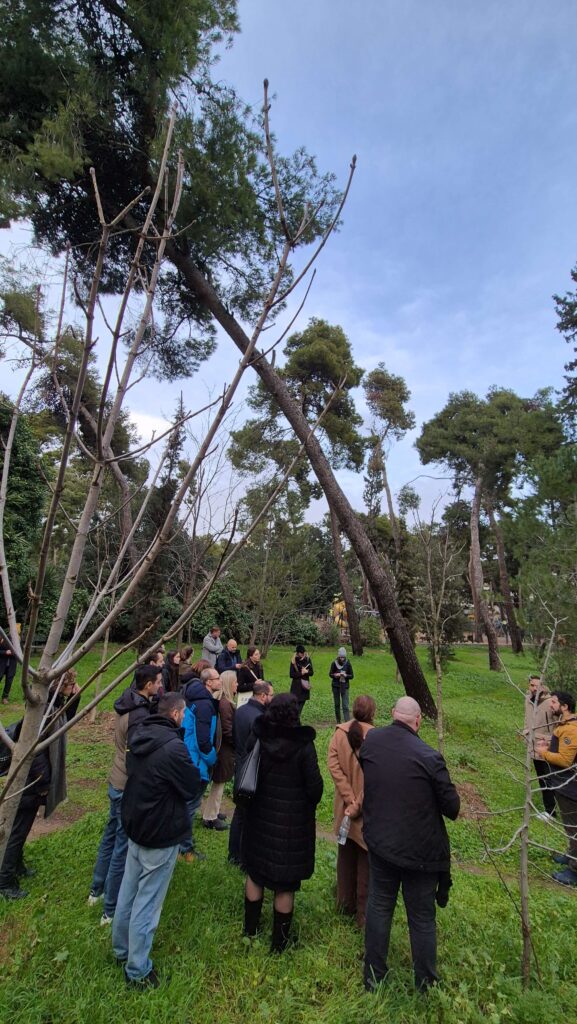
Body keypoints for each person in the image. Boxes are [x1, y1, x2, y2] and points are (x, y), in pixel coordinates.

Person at [360, 696, 460, 992]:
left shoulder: (373, 740)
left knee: (379, 907)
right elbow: (452, 808)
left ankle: (373, 978)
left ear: (393, 715)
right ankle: (425, 985)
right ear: (418, 722)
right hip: (420, 852)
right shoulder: (429, 757)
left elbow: (369, 768)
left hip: (381, 843)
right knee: (421, 918)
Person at [112, 692, 200, 988]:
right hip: (160, 831)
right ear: (176, 714)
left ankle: (121, 948)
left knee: (129, 890)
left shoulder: (140, 734)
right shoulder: (173, 748)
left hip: (136, 823)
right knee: (148, 903)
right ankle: (137, 968)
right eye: (185, 713)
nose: (186, 718)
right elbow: (190, 786)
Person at [242, 693, 323, 952]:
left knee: (255, 873)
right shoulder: (304, 746)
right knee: (285, 884)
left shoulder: (258, 737)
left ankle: (250, 930)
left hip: (259, 816)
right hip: (291, 825)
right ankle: (279, 943)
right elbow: (315, 788)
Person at [88, 664, 162, 924]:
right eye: (159, 681)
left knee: (109, 836)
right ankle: (110, 907)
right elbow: (137, 753)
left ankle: (96, 889)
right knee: (121, 844)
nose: (161, 685)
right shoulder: (140, 715)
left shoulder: (126, 702)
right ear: (148, 685)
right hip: (126, 783)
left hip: (114, 777)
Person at [0, 671, 81, 899]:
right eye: (71, 684)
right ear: (61, 686)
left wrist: (76, 696)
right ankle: (4, 882)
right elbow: (34, 755)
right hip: (28, 783)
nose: (74, 686)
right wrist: (43, 783)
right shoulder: (43, 712)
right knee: (17, 831)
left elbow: (66, 720)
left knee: (22, 829)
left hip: (31, 782)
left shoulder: (50, 707)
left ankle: (16, 867)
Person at [327, 694, 376, 929]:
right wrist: (358, 803)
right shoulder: (377, 738)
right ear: (373, 713)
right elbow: (377, 778)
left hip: (345, 810)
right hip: (367, 811)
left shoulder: (339, 733)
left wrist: (348, 800)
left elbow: (333, 766)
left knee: (344, 857)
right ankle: (363, 916)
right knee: (365, 863)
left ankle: (343, 903)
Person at [228, 680, 274, 866]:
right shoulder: (259, 718)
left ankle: (233, 854)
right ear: (262, 696)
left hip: (239, 765)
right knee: (249, 816)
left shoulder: (241, 710)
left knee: (239, 813)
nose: (272, 698)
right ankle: (243, 857)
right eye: (271, 695)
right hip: (252, 770)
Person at [179, 666, 222, 861]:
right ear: (209, 682)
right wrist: (212, 757)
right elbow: (203, 739)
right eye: (217, 678)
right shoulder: (205, 705)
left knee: (186, 804)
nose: (220, 680)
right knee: (190, 805)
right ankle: (184, 848)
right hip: (197, 762)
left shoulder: (196, 699)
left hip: (190, 758)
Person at [535, 690, 577, 886]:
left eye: (553, 702)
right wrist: (549, 746)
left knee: (574, 829)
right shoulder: (564, 725)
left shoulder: (571, 729)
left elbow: (566, 760)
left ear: (565, 706)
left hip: (570, 787)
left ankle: (574, 871)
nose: (550, 705)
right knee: (569, 827)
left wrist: (544, 753)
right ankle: (570, 855)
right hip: (562, 785)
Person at [202, 670, 237, 831]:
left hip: (223, 749)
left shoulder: (223, 701)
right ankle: (210, 817)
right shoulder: (225, 704)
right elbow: (228, 730)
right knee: (219, 783)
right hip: (223, 751)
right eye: (235, 682)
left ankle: (212, 811)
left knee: (219, 783)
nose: (237, 684)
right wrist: (238, 743)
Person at [522, 675, 557, 818]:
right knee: (541, 777)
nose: (535, 688)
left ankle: (551, 812)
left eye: (538, 685)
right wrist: (525, 731)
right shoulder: (528, 699)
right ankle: (550, 809)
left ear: (543, 686)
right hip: (533, 744)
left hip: (546, 745)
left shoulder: (550, 702)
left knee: (548, 777)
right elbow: (527, 718)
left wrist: (552, 740)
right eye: (532, 685)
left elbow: (559, 722)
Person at [329, 647, 354, 723]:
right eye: (341, 657)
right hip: (336, 686)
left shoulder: (348, 663)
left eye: (343, 657)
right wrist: (335, 675)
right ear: (338, 656)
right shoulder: (334, 663)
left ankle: (347, 721)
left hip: (344, 686)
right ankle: (338, 721)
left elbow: (352, 676)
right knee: (337, 704)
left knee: (345, 705)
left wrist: (346, 675)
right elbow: (330, 674)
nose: (342, 658)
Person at [289, 644, 314, 715]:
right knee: (295, 705)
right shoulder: (294, 661)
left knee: (301, 704)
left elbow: (312, 673)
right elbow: (291, 674)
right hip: (296, 686)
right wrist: (301, 673)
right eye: (301, 653)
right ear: (297, 653)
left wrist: (307, 672)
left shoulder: (308, 659)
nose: (303, 654)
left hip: (304, 685)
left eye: (304, 652)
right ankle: (294, 720)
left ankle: (296, 719)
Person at [0, 633, 18, 705]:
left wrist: (13, 652)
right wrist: (5, 652)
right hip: (1, 664)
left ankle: (5, 698)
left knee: (9, 682)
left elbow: (21, 652)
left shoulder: (17, 641)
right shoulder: (3, 639)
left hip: (12, 665)